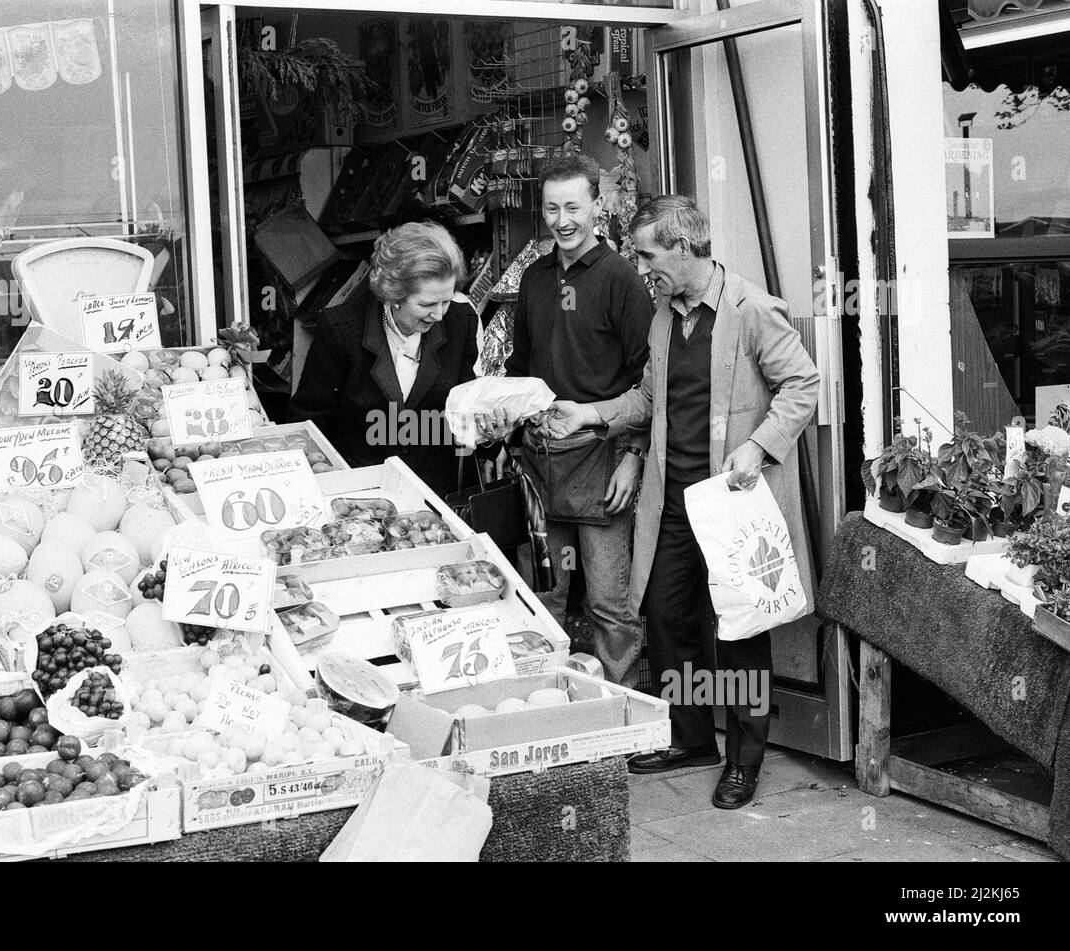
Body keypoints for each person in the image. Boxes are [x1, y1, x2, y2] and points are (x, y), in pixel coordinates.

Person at [544, 195, 819, 809]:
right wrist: (590, 413)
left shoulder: (751, 310)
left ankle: (746, 759)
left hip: (732, 504)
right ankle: (691, 737)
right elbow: (649, 400)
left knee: (738, 629)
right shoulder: (665, 315)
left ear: (684, 247)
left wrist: (759, 447)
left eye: (647, 254)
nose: (641, 268)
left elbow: (803, 383)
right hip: (672, 500)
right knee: (666, 618)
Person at [495, 153, 654, 690]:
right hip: (540, 466)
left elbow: (648, 382)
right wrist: (506, 421)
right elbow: (520, 369)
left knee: (611, 605)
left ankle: (625, 715)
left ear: (597, 206)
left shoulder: (621, 280)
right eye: (551, 208)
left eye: (573, 207)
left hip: (601, 463)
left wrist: (633, 457)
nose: (562, 220)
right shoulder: (536, 280)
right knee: (543, 597)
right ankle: (547, 713)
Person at [289, 220, 479, 496]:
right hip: (360, 492)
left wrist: (489, 426)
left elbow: (465, 410)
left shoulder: (461, 322)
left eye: (446, 301)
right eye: (426, 304)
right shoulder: (342, 329)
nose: (439, 315)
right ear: (393, 294)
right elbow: (310, 420)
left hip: (435, 496)